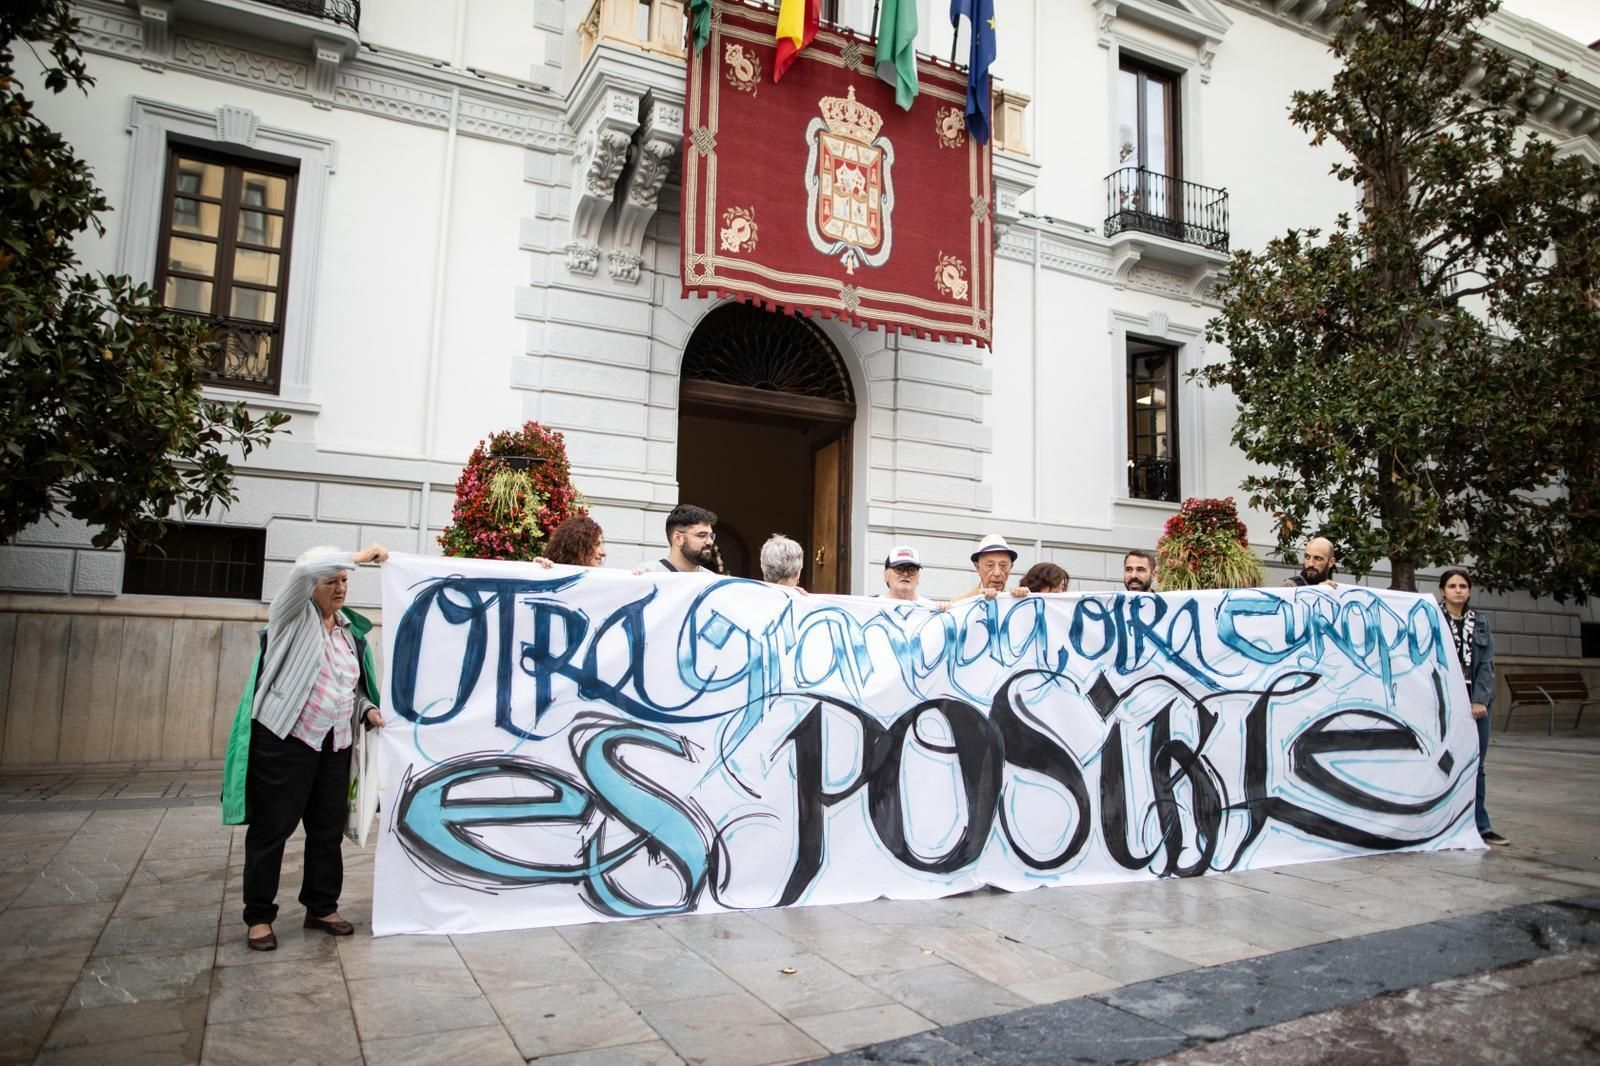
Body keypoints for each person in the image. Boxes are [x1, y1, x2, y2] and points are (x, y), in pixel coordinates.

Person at [221, 544, 388, 952]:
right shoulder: (291, 615)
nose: (341, 587)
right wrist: (359, 557)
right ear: (310, 584)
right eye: (331, 580)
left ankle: (321, 907)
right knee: (272, 829)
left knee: (327, 830)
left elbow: (349, 688)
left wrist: (367, 709)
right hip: (286, 740)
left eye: (344, 580)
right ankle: (259, 917)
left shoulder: (349, 631)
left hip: (335, 743)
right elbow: (304, 569)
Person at [1440, 568, 1508, 846]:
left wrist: (1480, 699)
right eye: (1452, 586)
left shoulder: (1480, 621)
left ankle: (1481, 825)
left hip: (1474, 701)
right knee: (1441, 762)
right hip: (1444, 700)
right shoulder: (1433, 618)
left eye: (1463, 586)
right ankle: (1441, 823)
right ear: (1443, 591)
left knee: (1476, 764)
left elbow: (1487, 664)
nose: (1458, 590)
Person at [639, 504, 718, 573]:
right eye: (702, 535)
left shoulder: (712, 580)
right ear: (678, 538)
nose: (710, 542)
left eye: (711, 536)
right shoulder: (650, 574)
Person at [955, 534, 1029, 601]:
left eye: (1003, 565)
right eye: (990, 565)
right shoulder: (962, 603)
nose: (997, 573)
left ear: (1011, 567)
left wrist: (1026, 600)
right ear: (978, 568)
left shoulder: (1015, 601)